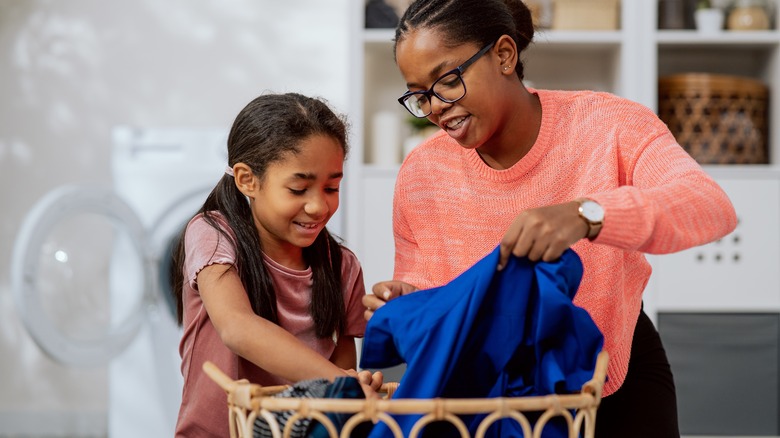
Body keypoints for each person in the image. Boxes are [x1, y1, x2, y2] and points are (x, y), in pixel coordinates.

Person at [361, 1, 737, 437]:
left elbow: (709, 205)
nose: (436, 107)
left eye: (447, 80)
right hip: (493, 401)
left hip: (613, 376)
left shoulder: (607, 125)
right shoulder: (421, 173)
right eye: (420, 94)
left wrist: (588, 214)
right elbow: (433, 293)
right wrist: (409, 299)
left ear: (504, 54)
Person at [170, 93, 381, 437]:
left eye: (331, 187)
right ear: (247, 180)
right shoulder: (212, 233)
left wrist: (351, 390)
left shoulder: (341, 265)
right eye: (299, 189)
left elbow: (338, 402)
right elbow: (237, 327)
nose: (318, 206)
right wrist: (344, 384)